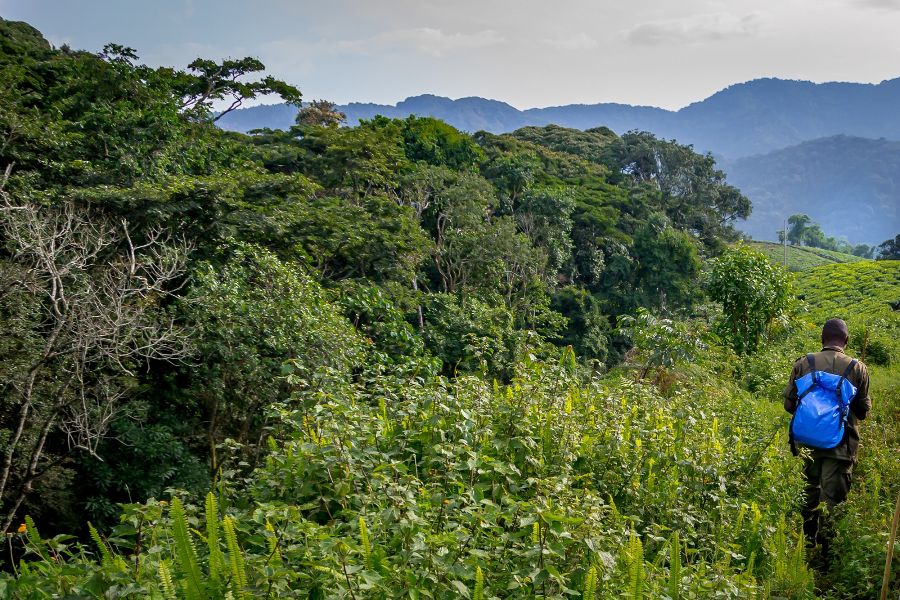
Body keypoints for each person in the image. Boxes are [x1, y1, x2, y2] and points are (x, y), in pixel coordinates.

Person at [783, 318, 871, 562]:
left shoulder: (804, 363)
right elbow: (863, 412)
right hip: (841, 446)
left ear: (822, 340)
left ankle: (805, 546)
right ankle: (826, 558)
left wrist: (815, 417)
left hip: (807, 444)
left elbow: (789, 405)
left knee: (809, 493)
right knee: (832, 499)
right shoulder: (857, 368)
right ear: (846, 341)